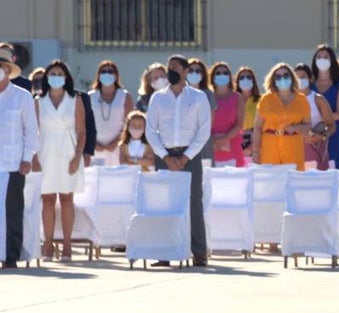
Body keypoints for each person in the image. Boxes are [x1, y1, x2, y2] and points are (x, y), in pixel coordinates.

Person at [146, 55, 213, 267]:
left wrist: (186, 157)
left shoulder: (199, 97)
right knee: (165, 203)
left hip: (189, 155)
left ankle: (199, 252)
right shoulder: (157, 98)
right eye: (169, 67)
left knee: (194, 202)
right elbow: (151, 130)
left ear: (185, 71)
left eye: (175, 67)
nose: (171, 71)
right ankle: (165, 253)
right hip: (164, 155)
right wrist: (165, 156)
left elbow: (204, 131)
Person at [35, 60, 87, 261]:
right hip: (45, 153)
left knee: (66, 199)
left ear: (66, 78)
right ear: (46, 77)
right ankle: (48, 245)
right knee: (47, 199)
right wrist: (34, 157)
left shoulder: (75, 99)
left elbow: (82, 132)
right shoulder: (38, 101)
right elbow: (33, 132)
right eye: (52, 74)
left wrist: (77, 157)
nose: (56, 77)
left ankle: (67, 246)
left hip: (68, 152)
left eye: (59, 74)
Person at [0, 45, 39, 268]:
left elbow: (31, 130)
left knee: (12, 211)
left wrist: (27, 158)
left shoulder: (22, 97)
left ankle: (11, 256)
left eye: (2, 66)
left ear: (8, 69)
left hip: (13, 163)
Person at [252, 63, 312, 171]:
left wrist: (295, 127)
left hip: (293, 146)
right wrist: (256, 151)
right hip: (270, 146)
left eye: (286, 75)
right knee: (271, 179)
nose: (282, 79)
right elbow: (258, 127)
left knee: (293, 178)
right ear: (273, 80)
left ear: (292, 78)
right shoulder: (266, 100)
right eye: (278, 77)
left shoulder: (302, 100)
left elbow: (308, 125)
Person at [89, 60, 134, 165]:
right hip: (96, 148)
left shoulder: (125, 96)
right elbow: (85, 123)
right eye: (103, 71)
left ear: (116, 75)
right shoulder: (91, 96)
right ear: (98, 75)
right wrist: (93, 143)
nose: (107, 74)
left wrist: (116, 142)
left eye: (110, 71)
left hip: (118, 147)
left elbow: (129, 123)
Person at [312, 44, 339, 169]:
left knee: (333, 170)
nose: (322, 59)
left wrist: (319, 118)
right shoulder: (310, 85)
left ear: (332, 60)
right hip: (312, 133)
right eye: (319, 57)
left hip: (333, 134)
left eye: (326, 57)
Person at [294, 63, 337, 170]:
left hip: (315, 149)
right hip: (294, 150)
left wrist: (319, 135)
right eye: (297, 77)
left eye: (303, 77)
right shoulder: (290, 100)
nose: (300, 80)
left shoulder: (318, 99)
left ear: (310, 78)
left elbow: (331, 125)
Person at [209, 61, 245, 167]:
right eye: (218, 73)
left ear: (229, 77)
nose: (222, 75)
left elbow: (239, 124)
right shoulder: (207, 97)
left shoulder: (237, 98)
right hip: (211, 147)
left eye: (225, 73)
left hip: (233, 147)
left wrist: (225, 139)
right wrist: (213, 141)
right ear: (213, 78)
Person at [235, 66, 261, 159]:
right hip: (236, 142)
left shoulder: (261, 100)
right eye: (242, 78)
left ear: (253, 81)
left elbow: (263, 126)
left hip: (255, 143)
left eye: (248, 77)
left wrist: (251, 146)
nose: (245, 80)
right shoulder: (233, 100)